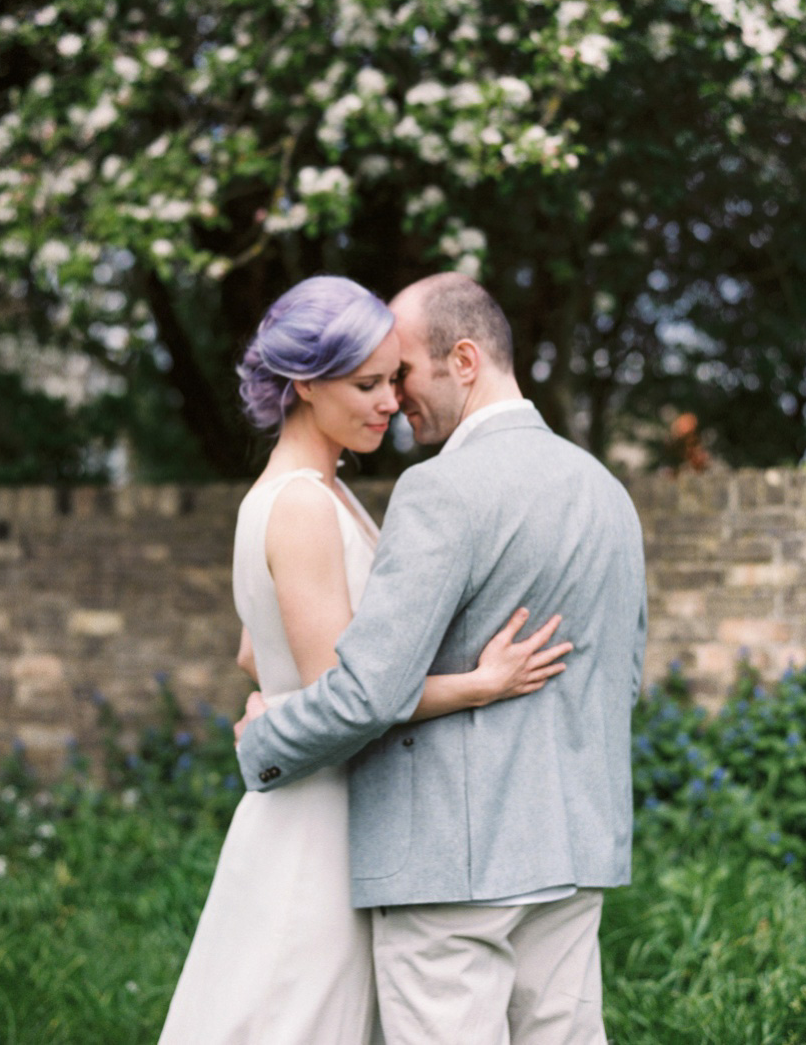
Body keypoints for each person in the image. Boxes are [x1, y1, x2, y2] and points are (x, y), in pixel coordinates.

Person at [157, 275, 572, 1045]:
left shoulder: (309, 491)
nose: (390, 402)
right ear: (307, 387)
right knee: (301, 1015)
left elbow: (255, 649)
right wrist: (482, 683)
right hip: (318, 821)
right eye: (368, 384)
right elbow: (344, 693)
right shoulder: (309, 505)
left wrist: (275, 699)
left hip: (328, 800)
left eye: (394, 380)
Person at [237, 271, 648, 1045]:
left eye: (406, 373)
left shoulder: (440, 491)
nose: (396, 398)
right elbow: (621, 679)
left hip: (449, 872)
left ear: (464, 361)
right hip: (575, 853)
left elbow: (366, 691)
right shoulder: (607, 494)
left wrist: (264, 738)